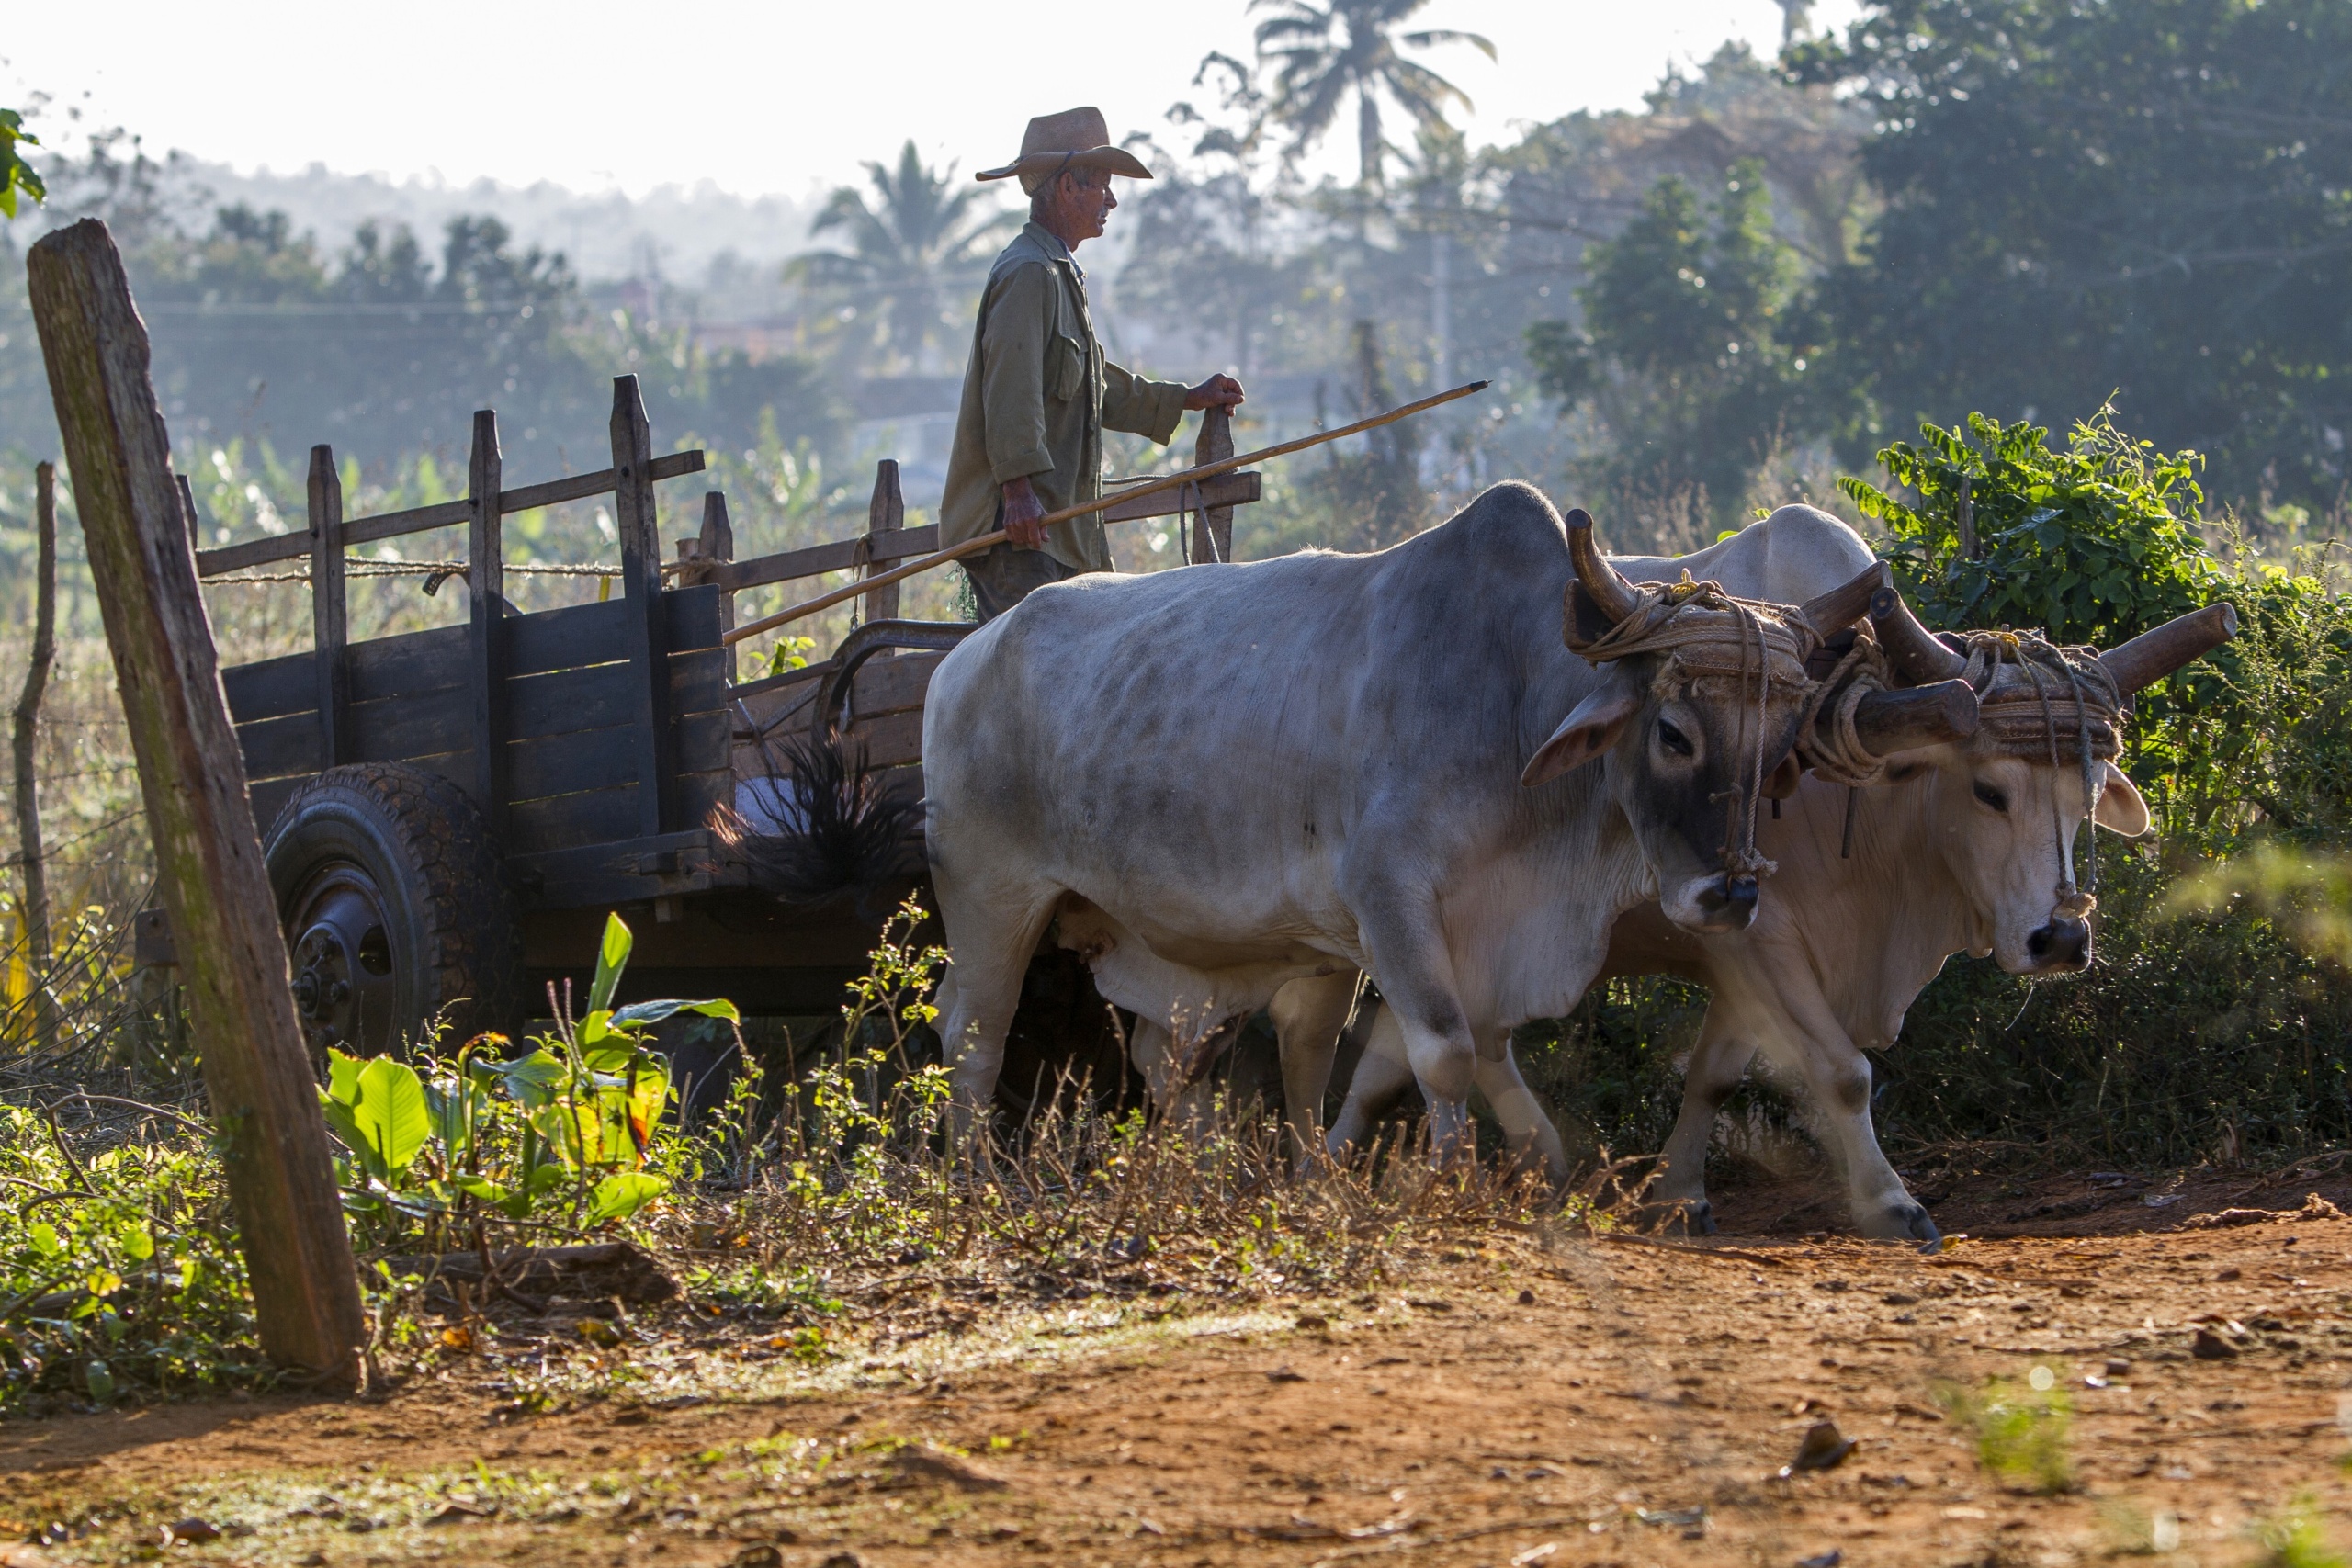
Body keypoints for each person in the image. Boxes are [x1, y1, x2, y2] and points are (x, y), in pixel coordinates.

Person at [941, 106, 1246, 621]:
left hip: (1056, 533)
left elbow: (1095, 383)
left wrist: (1187, 399)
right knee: (1035, 686)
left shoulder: (1060, 273)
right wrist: (1017, 493)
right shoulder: (1029, 273)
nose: (1112, 200)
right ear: (1066, 189)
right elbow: (1009, 393)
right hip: (1022, 535)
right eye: (1101, 185)